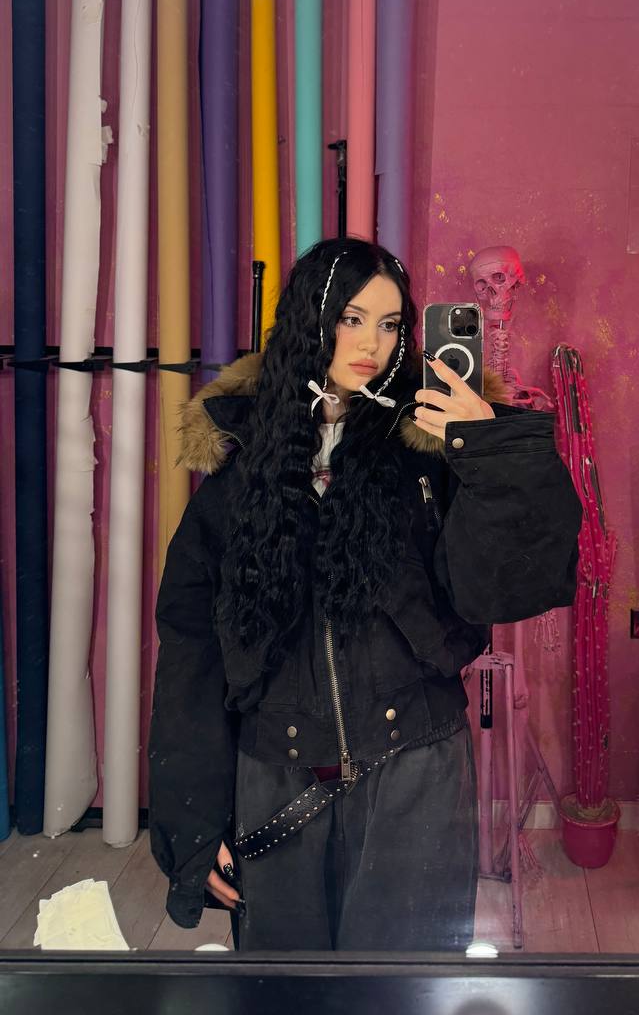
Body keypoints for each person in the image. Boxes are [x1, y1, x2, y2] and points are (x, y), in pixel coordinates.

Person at [148, 237, 582, 951]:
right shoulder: (240, 466)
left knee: (405, 981)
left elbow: (512, 585)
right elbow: (192, 651)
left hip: (417, 767)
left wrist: (489, 449)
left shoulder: (429, 450)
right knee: (286, 987)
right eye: (351, 319)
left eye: (389, 324)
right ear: (309, 321)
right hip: (276, 772)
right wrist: (192, 820)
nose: (372, 344)